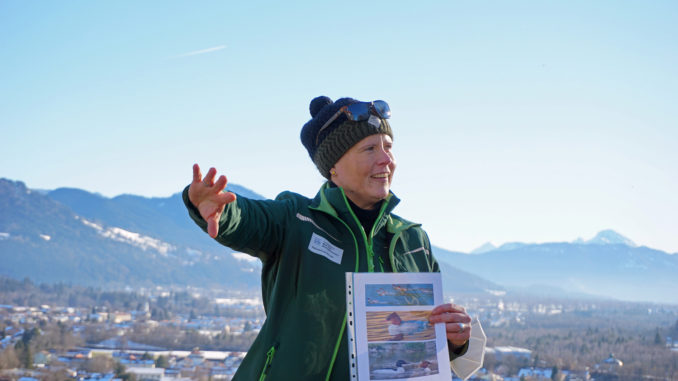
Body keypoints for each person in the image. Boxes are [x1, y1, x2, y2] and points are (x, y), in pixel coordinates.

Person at [183, 96, 476, 380]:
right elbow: (248, 218)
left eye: (388, 147)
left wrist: (455, 340)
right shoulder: (296, 220)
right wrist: (220, 210)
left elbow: (424, 343)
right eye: (370, 149)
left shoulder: (412, 240)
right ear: (333, 168)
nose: (386, 159)